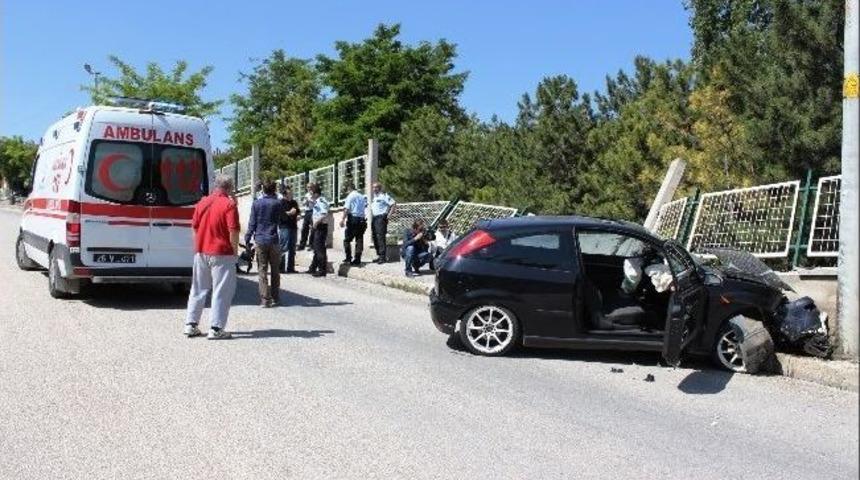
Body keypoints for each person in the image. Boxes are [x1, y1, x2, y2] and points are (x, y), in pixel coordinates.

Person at [184, 174, 241, 339]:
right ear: (230, 187)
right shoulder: (229, 205)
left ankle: (191, 324)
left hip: (201, 251)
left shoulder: (202, 202)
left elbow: (194, 227)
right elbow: (234, 231)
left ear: (215, 186)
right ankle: (216, 328)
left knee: (198, 289)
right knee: (221, 291)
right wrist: (235, 251)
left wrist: (198, 246)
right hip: (221, 252)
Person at [245, 179, 282, 307]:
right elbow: (282, 220)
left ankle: (265, 300)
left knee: (262, 270)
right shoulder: (278, 203)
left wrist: (247, 238)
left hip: (260, 239)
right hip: (274, 239)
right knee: (275, 270)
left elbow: (252, 223)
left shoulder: (257, 204)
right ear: (274, 190)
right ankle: (276, 297)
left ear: (263, 190)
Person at [340, 183, 368, 265]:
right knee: (359, 239)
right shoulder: (362, 196)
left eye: (346, 189)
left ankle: (348, 258)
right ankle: (357, 259)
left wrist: (342, 219)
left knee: (347, 240)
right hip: (362, 219)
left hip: (353, 219)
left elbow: (347, 209)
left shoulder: (350, 196)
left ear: (349, 188)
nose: (346, 191)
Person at [307, 183, 330, 277]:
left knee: (319, 249)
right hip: (317, 226)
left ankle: (322, 270)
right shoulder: (318, 201)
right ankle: (313, 267)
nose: (311, 195)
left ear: (316, 193)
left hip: (320, 227)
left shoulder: (321, 201)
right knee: (316, 248)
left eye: (312, 193)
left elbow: (324, 213)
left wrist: (316, 223)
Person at [370, 182, 396, 264]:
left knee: (380, 237)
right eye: (373, 187)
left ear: (379, 188)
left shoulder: (384, 196)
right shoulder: (374, 198)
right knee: (375, 237)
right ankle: (379, 255)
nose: (374, 189)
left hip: (381, 218)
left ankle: (382, 257)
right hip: (374, 218)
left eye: (376, 187)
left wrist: (389, 216)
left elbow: (393, 204)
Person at [278, 184, 300, 273]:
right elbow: (280, 214)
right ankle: (280, 267)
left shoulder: (294, 202)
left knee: (292, 247)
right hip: (284, 227)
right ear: (285, 194)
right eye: (289, 193)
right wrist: (289, 213)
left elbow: (298, 211)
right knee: (283, 247)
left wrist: (297, 214)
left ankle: (291, 267)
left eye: (291, 193)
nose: (291, 195)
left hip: (293, 226)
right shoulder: (281, 203)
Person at [297, 183, 315, 251]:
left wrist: (310, 200)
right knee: (304, 228)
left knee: (313, 228)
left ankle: (311, 244)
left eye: (310, 187)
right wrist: (306, 201)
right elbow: (303, 203)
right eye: (308, 187)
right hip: (307, 211)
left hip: (313, 211)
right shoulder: (306, 195)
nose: (309, 189)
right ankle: (302, 244)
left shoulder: (315, 195)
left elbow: (316, 203)